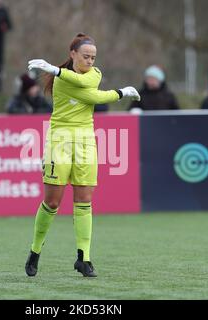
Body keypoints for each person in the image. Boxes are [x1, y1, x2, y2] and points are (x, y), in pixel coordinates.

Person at [25, 33, 140, 278]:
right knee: (53, 202)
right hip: (60, 141)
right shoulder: (62, 81)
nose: (90, 61)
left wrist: (55, 70)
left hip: (86, 142)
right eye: (85, 56)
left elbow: (91, 89)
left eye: (93, 57)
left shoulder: (94, 75)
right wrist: (120, 93)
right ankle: (35, 251)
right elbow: (92, 96)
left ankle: (84, 259)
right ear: (73, 54)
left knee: (84, 200)